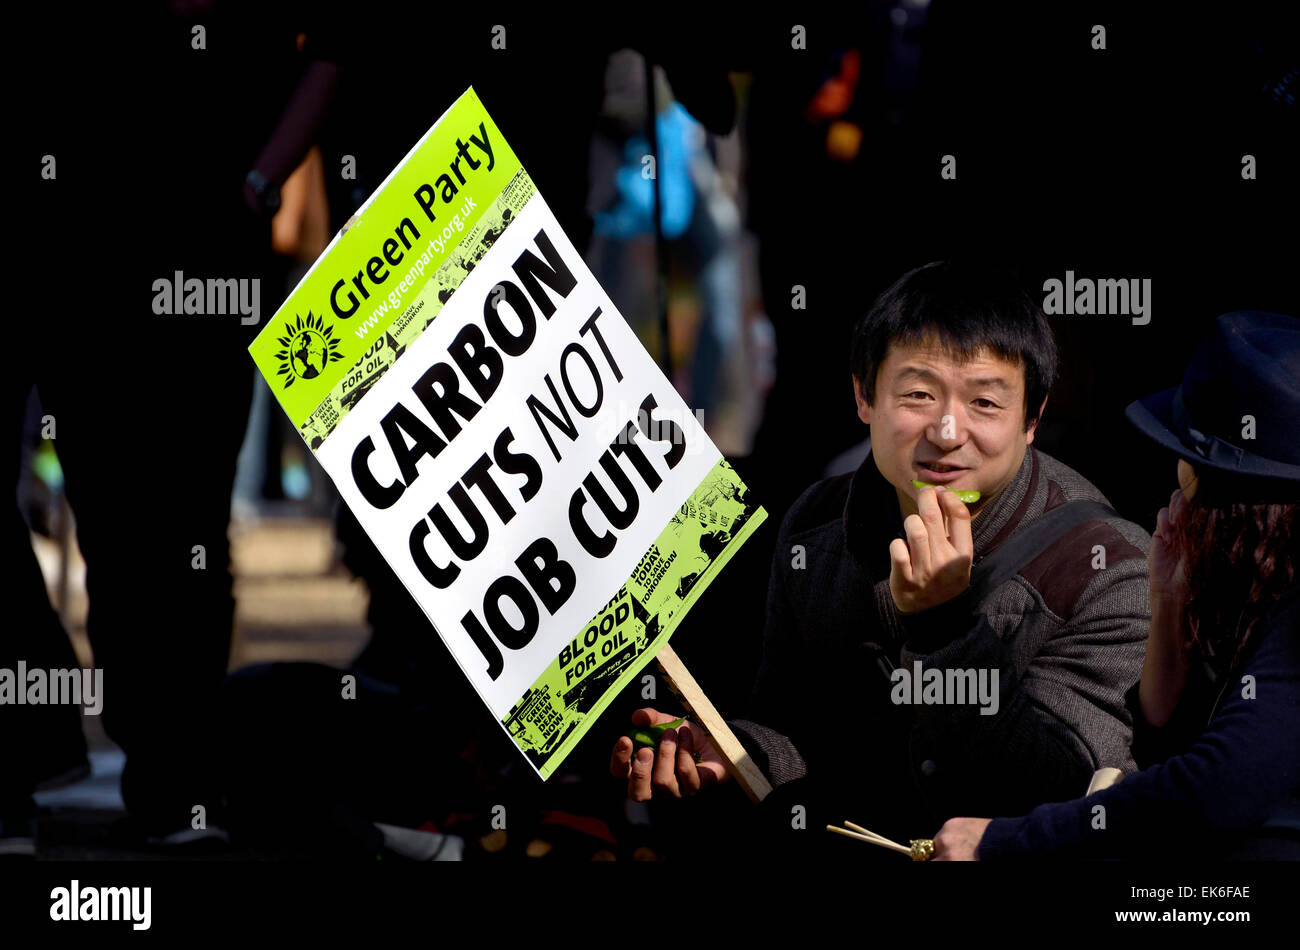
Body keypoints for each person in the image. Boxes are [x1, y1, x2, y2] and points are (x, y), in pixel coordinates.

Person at [611, 260, 1152, 855]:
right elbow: (795, 723)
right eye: (918, 395)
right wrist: (735, 755)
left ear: (1033, 419)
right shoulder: (816, 524)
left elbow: (1058, 790)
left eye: (985, 404)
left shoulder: (1107, 569)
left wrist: (945, 627)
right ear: (864, 396)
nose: (947, 431)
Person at [933, 310, 1300, 860]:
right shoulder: (1259, 597)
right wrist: (1167, 597)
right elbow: (1164, 741)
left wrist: (1006, 840)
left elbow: (1217, 790)